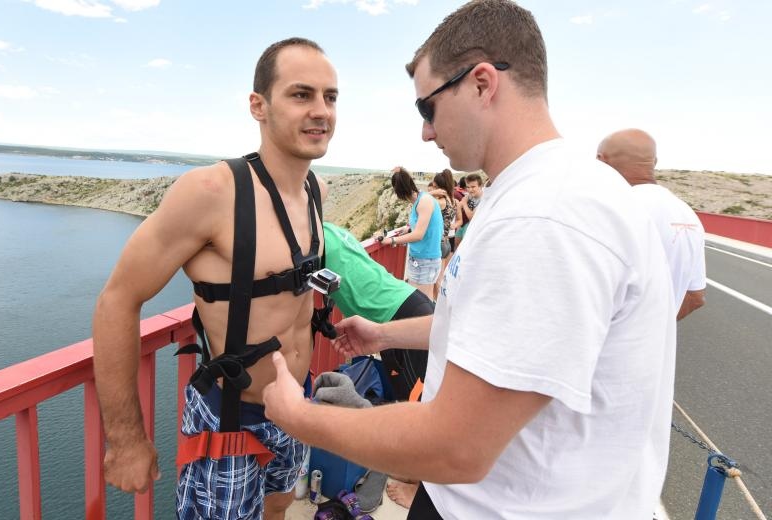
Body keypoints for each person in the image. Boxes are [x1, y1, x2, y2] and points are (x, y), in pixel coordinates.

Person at [262, 2, 675, 520]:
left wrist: (298, 417)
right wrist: (385, 335)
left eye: (427, 107)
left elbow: (457, 446)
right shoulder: (540, 192)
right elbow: (485, 327)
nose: (425, 132)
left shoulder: (543, 217)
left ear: (482, 84)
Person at [92, 37, 337, 520]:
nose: (321, 111)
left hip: (296, 403)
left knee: (279, 506)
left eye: (330, 97)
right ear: (258, 106)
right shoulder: (211, 192)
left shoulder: (316, 190)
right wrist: (125, 440)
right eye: (301, 94)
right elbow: (116, 300)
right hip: (231, 418)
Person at [597, 128, 706, 320]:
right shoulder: (688, 214)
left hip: (608, 338)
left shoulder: (612, 207)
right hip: (660, 340)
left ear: (601, 161)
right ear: (654, 162)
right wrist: (658, 330)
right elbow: (696, 297)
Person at [323, 221, 432, 401]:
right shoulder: (330, 230)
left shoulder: (310, 239)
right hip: (407, 301)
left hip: (396, 315)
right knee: (411, 395)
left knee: (415, 400)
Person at [384, 166, 444, 299]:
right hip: (420, 260)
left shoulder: (424, 201)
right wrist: (409, 229)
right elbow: (424, 226)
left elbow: (418, 235)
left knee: (423, 303)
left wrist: (392, 240)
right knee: (421, 302)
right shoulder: (420, 200)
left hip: (425, 260)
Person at [427, 172, 458, 299]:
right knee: (439, 278)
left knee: (434, 281)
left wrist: (431, 193)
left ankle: (440, 305)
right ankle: (438, 304)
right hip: (446, 243)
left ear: (440, 187)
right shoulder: (453, 200)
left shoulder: (440, 202)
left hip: (437, 244)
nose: (433, 189)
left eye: (435, 187)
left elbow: (420, 200)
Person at [454, 172, 483, 244]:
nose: (470, 190)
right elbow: (458, 206)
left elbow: (472, 217)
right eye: (468, 187)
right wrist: (459, 220)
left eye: (473, 187)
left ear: (480, 186)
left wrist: (464, 204)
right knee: (456, 244)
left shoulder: (483, 199)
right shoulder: (469, 195)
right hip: (464, 224)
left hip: (474, 227)